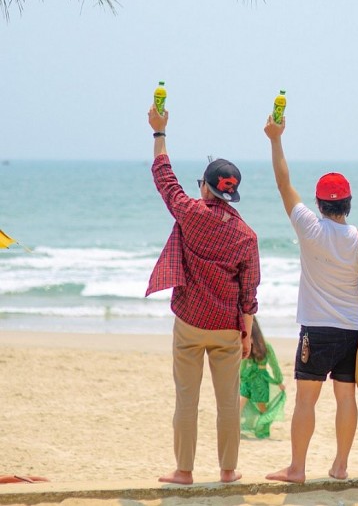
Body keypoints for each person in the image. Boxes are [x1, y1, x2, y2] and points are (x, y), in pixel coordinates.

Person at [263, 116, 358, 484]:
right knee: (347, 400)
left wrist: (275, 140)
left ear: (318, 203)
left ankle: (297, 469)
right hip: (352, 331)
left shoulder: (308, 227)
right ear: (348, 202)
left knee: (305, 401)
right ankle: (340, 466)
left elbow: (284, 184)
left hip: (316, 331)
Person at [146, 106, 260, 485]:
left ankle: (184, 471)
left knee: (186, 400)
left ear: (206, 187)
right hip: (228, 328)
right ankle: (228, 471)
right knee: (228, 403)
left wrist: (159, 133)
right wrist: (246, 333)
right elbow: (249, 291)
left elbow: (165, 179)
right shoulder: (246, 236)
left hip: (190, 323)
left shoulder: (190, 213)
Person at [240, 318, 287, 439]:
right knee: (239, 405)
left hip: (260, 382)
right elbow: (243, 364)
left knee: (262, 409)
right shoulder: (246, 345)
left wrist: (279, 381)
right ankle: (234, 430)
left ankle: (263, 429)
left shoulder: (266, 346)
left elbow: (274, 365)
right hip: (248, 379)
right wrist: (240, 378)